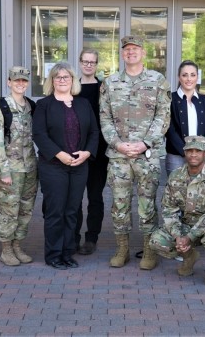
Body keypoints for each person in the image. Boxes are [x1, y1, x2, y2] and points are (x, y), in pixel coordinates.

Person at [100, 35, 171, 270]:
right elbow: (104, 117)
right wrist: (117, 143)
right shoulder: (109, 83)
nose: (131, 52)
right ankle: (122, 250)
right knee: (119, 205)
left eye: (135, 49)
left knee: (147, 204)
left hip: (147, 155)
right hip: (119, 156)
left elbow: (163, 116)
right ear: (122, 54)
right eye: (127, 49)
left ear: (143, 53)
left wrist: (145, 143)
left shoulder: (158, 80)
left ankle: (150, 250)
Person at [33, 62, 99, 270]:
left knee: (72, 210)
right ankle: (53, 255)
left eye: (66, 77)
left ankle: (68, 252)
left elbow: (94, 133)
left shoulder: (83, 104)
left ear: (73, 80)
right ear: (51, 81)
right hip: (53, 166)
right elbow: (39, 135)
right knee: (55, 211)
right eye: (58, 77)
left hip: (80, 165)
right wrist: (59, 154)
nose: (62, 80)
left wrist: (87, 152)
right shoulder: (44, 105)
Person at [150, 136, 205, 286]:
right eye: (189, 151)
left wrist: (189, 237)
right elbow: (169, 210)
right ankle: (189, 256)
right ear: (184, 153)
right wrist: (177, 236)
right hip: (186, 223)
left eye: (198, 151)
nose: (193, 154)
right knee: (157, 241)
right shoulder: (176, 176)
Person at [0, 67, 37, 266]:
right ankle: (6, 249)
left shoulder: (31, 106)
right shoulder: (1, 107)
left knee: (25, 209)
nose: (20, 84)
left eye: (24, 81)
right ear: (9, 82)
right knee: (8, 210)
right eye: (16, 80)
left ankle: (17, 245)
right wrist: (2, 172)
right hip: (9, 169)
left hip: (30, 168)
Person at [75, 49, 109, 255]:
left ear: (96, 65)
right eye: (85, 61)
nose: (88, 65)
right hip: (75, 149)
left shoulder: (103, 88)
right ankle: (73, 237)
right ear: (79, 63)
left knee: (95, 196)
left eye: (92, 62)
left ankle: (91, 238)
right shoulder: (72, 87)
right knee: (75, 197)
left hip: (99, 150)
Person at [165, 60, 205, 176]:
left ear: (197, 77)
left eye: (193, 75)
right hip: (176, 157)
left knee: (199, 192)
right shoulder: (169, 99)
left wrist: (201, 150)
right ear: (179, 77)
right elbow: (169, 129)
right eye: (184, 75)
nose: (189, 79)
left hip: (200, 156)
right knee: (176, 192)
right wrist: (186, 152)